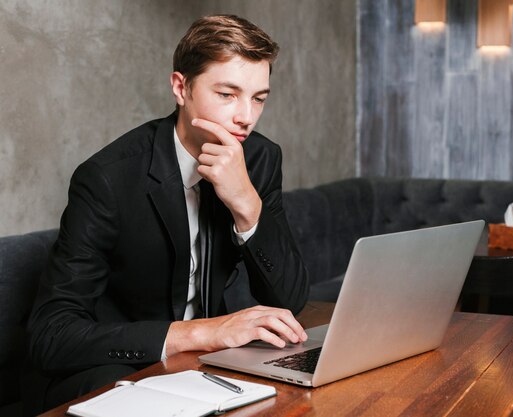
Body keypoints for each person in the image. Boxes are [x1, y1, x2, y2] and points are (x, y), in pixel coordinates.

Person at [25, 14, 309, 414]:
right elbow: (51, 337)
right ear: (181, 88)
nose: (246, 115)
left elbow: (289, 298)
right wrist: (202, 333)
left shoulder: (259, 158)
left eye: (259, 97)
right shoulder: (107, 177)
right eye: (227, 94)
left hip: (204, 369)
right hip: (115, 369)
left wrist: (247, 205)